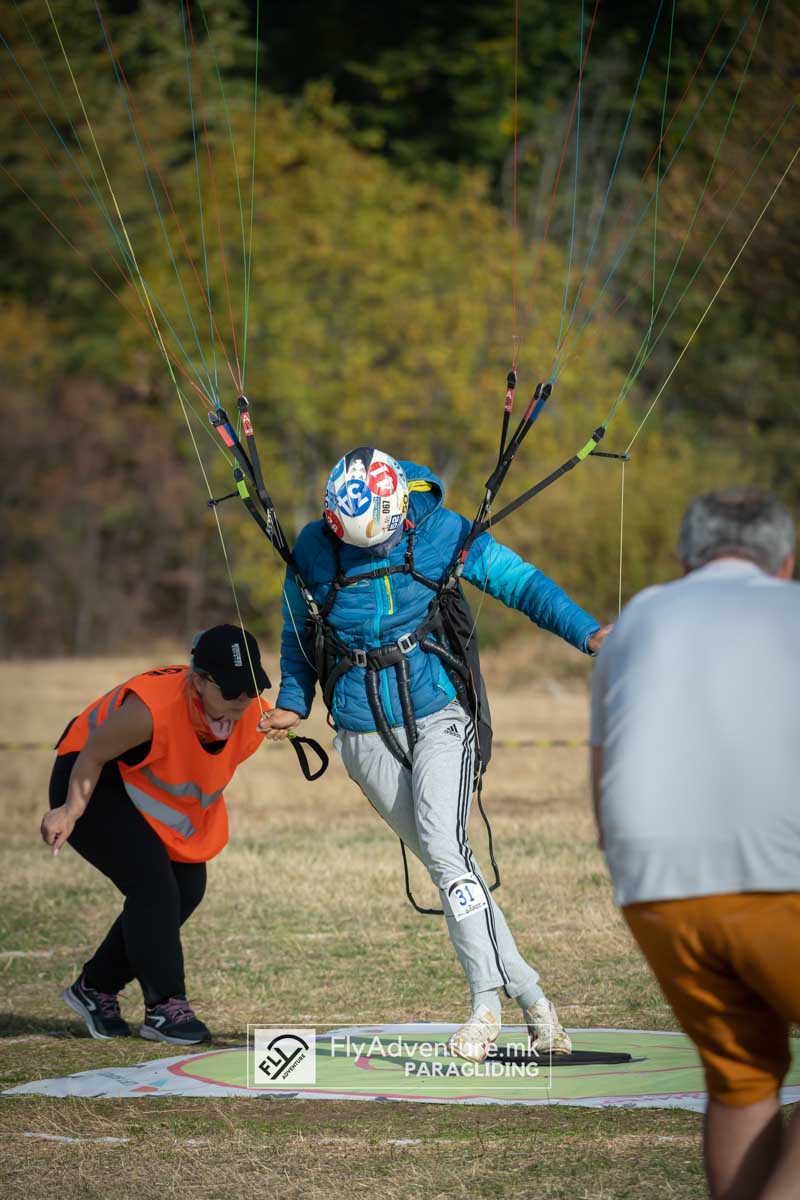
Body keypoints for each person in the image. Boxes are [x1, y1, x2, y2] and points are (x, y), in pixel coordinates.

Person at [260, 446, 611, 1062]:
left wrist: (587, 631)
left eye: (381, 541)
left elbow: (520, 582)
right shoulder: (314, 548)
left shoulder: (442, 531)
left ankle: (485, 1007)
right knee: (450, 864)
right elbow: (298, 629)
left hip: (440, 713)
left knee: (446, 851)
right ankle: (537, 1004)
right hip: (361, 729)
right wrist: (293, 700)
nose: (372, 551)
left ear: (400, 511)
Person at [590, 487, 800, 1200]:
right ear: (786, 561)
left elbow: (603, 784)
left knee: (741, 1083)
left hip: (656, 888)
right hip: (780, 876)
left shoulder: (638, 620)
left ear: (686, 560)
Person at [41, 624, 273, 1046]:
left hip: (141, 779)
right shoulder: (150, 711)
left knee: (187, 888)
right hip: (90, 778)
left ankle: (95, 987)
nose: (243, 700)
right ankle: (166, 1007)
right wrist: (69, 810)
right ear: (199, 682)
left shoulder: (249, 711)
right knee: (152, 886)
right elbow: (92, 754)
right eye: (231, 690)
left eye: (251, 688)